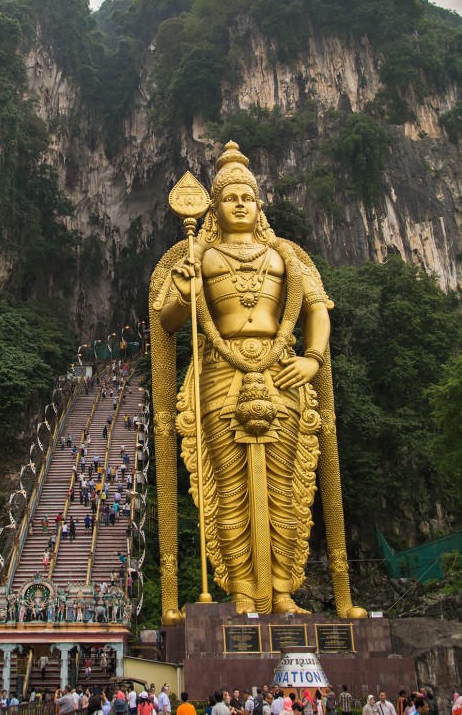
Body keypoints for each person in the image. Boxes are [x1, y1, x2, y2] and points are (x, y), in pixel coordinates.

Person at [151, 141, 364, 619]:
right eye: (230, 198)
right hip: (221, 375)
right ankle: (243, 592)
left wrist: (311, 358)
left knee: (286, 487)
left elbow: (317, 309)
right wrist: (185, 291)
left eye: (247, 195)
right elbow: (165, 320)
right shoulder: (197, 256)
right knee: (229, 491)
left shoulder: (285, 255)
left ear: (259, 203)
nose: (240, 203)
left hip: (282, 370)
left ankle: (284, 590)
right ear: (216, 207)